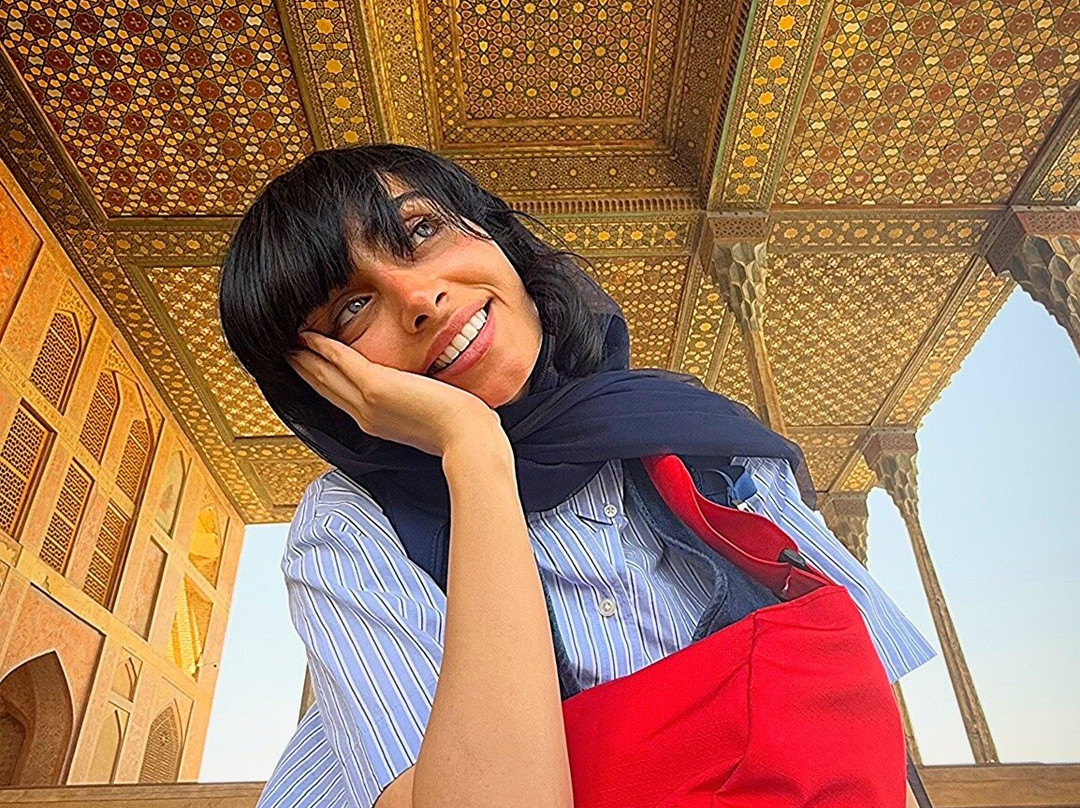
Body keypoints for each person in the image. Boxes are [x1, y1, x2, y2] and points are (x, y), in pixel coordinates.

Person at [218, 144, 935, 808]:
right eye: (351, 309)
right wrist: (474, 453)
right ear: (319, 383)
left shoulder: (699, 444)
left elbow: (869, 727)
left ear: (493, 234)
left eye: (422, 230)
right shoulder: (352, 527)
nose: (419, 298)